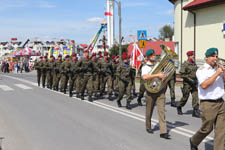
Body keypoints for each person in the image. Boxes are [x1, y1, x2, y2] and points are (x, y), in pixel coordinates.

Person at [190, 48, 225, 150]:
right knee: (207, 129)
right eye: (213, 56)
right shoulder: (201, 70)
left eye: (216, 56)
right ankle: (194, 141)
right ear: (207, 57)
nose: (215, 58)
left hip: (221, 102)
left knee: (221, 130)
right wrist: (217, 73)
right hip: (208, 103)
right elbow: (204, 85)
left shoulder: (218, 68)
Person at [142, 49, 170, 139]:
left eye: (155, 54)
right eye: (153, 55)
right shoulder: (145, 67)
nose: (155, 56)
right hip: (150, 91)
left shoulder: (159, 66)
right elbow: (145, 77)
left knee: (161, 111)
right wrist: (157, 75)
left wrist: (164, 76)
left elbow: (163, 75)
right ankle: (148, 126)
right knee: (149, 110)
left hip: (160, 90)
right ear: (149, 56)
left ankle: (163, 132)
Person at [177, 51, 200, 117]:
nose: (194, 56)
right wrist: (190, 80)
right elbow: (182, 74)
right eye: (192, 55)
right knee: (185, 97)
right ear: (189, 56)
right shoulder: (185, 64)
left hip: (194, 83)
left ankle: (195, 111)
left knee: (195, 97)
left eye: (194, 55)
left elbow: (197, 72)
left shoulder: (194, 63)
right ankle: (179, 106)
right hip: (187, 84)